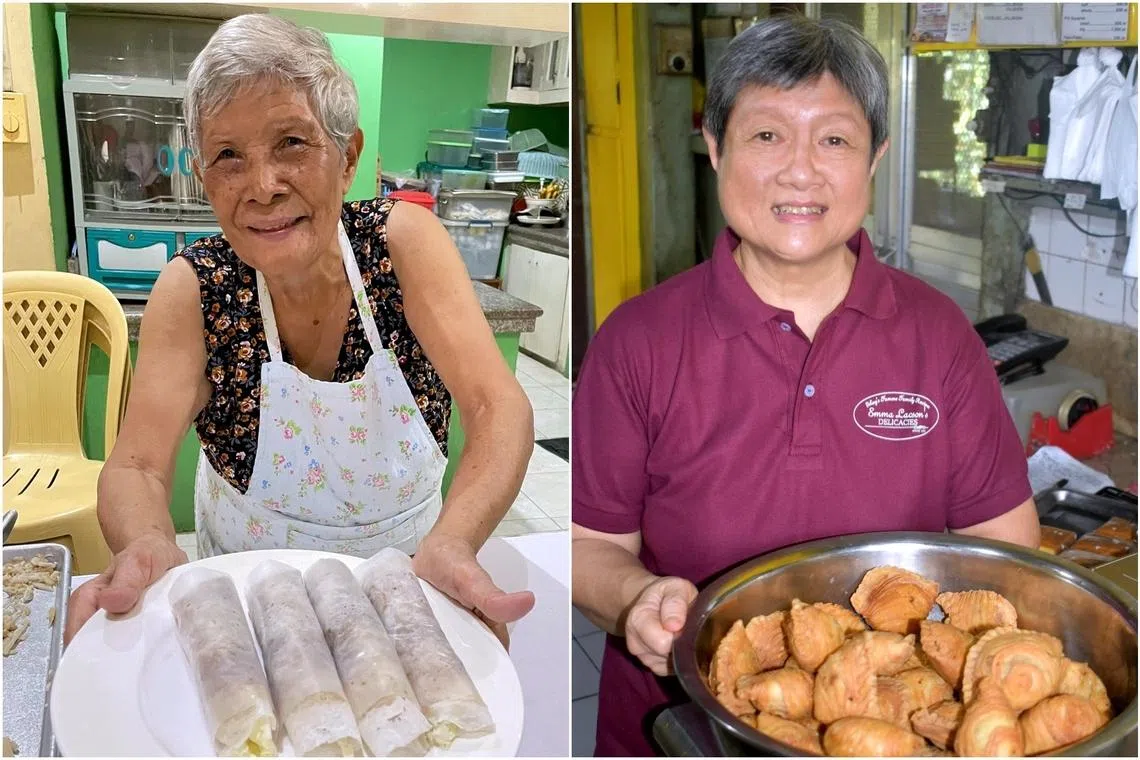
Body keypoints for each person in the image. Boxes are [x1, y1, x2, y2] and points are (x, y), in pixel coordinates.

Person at [571, 15, 1040, 756]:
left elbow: (1006, 550)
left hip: (882, 729)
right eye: (766, 136)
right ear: (716, 145)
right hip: (679, 729)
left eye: (834, 139)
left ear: (875, 158)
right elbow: (588, 544)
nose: (800, 170)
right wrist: (635, 598)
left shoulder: (940, 336)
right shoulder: (637, 342)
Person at [66, 14, 535, 645]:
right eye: (229, 156)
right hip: (251, 599)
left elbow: (496, 405)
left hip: (411, 579)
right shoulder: (193, 289)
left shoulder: (401, 246)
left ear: (347, 159)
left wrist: (454, 541)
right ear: (205, 179)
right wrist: (147, 543)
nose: (262, 186)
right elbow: (138, 467)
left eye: (291, 142)